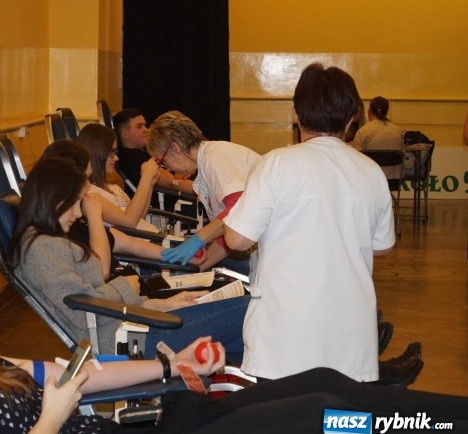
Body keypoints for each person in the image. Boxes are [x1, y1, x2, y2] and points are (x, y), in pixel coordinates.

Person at [0, 232, 468, 434]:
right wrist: (51, 417)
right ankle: (450, 431)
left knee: (323, 383)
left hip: (138, 431)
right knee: (321, 418)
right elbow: (59, 403)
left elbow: (79, 376)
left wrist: (169, 365)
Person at [222, 63, 415, 384]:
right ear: (352, 117)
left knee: (285, 414)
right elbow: (383, 246)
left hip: (284, 339)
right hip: (351, 339)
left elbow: (236, 239)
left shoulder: (276, 163)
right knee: (338, 414)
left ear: (296, 113)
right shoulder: (371, 171)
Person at [9, 156, 248, 359]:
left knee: (245, 340)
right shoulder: (41, 250)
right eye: (74, 203)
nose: (78, 212)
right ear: (52, 198)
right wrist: (127, 286)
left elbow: (94, 299)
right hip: (130, 341)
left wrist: (162, 304)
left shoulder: (48, 242)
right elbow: (82, 310)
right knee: (251, 308)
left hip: (133, 325)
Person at [40, 139, 206, 280]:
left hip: (138, 266)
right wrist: (94, 215)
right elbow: (102, 270)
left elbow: (131, 243)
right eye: (85, 177)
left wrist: (179, 255)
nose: (88, 184)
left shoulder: (81, 218)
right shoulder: (77, 219)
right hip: (129, 280)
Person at [146, 111, 261, 272]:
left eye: (163, 161)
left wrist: (196, 241)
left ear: (175, 148)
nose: (168, 168)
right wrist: (196, 270)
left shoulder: (217, 156)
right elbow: (225, 232)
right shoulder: (205, 168)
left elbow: (237, 211)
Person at [76, 123, 160, 232]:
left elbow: (139, 219)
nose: (116, 158)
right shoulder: (91, 194)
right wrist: (146, 177)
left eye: (115, 152)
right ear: (97, 153)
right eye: (111, 152)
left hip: (146, 236)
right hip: (137, 241)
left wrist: (150, 184)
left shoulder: (111, 185)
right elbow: (129, 221)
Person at [113, 108, 195, 198]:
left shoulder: (139, 153)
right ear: (125, 134)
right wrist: (200, 189)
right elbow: (171, 183)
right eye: (139, 127)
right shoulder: (131, 158)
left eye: (145, 125)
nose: (146, 130)